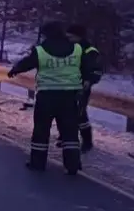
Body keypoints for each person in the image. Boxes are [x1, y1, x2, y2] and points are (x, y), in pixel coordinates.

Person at [7, 21, 97, 175]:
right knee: (70, 131)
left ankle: (37, 163)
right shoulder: (76, 49)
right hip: (69, 96)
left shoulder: (41, 50)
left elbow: (28, 63)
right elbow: (87, 67)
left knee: (41, 130)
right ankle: (73, 165)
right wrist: (87, 81)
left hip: (47, 96)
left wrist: (15, 69)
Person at [53, 24, 102, 152]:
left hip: (80, 87)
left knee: (79, 115)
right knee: (62, 113)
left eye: (70, 36)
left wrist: (89, 81)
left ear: (78, 36)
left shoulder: (90, 51)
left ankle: (87, 141)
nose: (68, 38)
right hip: (64, 85)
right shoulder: (67, 47)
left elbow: (96, 70)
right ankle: (65, 137)